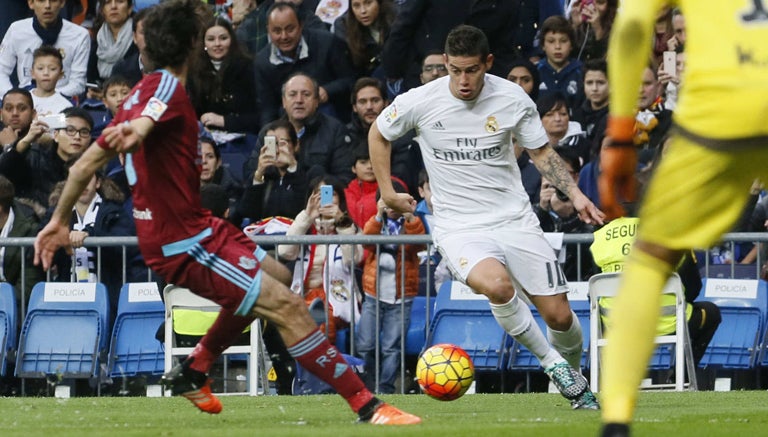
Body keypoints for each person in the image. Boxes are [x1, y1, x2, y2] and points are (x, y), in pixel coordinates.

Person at [33, 0, 420, 425]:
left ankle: (196, 368)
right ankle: (369, 405)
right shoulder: (165, 89)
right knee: (288, 306)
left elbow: (86, 163)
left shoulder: (138, 91)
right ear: (195, 47)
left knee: (277, 275)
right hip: (182, 240)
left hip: (197, 226)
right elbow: (146, 123)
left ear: (146, 49)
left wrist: (56, 221)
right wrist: (139, 130)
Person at [369, 24, 604, 410]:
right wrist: (388, 191)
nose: (463, 81)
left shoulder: (512, 98)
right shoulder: (420, 100)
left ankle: (575, 378)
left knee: (560, 316)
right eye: (455, 70)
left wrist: (575, 194)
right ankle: (554, 367)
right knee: (496, 286)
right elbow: (379, 133)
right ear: (445, 63)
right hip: (459, 225)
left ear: (488, 63)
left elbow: (541, 152)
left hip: (514, 219)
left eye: (472, 70)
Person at [597, 1, 768, 436]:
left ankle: (616, 420)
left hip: (726, 109)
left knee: (651, 260)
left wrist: (620, 135)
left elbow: (633, 25)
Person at [590, 216, 721, 367]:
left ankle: (604, 379)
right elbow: (693, 288)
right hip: (668, 324)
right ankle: (680, 377)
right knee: (710, 313)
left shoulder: (602, 236)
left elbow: (597, 287)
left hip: (617, 325)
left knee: (596, 312)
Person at [277, 176, 363, 345]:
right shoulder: (303, 227)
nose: (326, 199)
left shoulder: (350, 228)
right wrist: (307, 216)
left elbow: (353, 260)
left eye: (331, 194)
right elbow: (284, 252)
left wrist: (341, 222)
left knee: (322, 321)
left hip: (336, 298)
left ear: (340, 199)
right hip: (304, 295)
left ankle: (323, 368)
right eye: (319, 194)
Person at [358, 180, 425, 394]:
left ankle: (385, 389)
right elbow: (367, 241)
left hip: (401, 296)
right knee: (365, 344)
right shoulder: (377, 222)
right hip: (373, 293)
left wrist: (410, 215)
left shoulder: (412, 223)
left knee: (391, 348)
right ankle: (368, 387)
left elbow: (419, 244)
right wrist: (378, 214)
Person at [254, 1, 356, 125]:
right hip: (289, 123)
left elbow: (350, 80)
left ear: (301, 25)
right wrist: (270, 136)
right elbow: (268, 109)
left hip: (331, 115)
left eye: (290, 29)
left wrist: (327, 91)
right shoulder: (262, 62)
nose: (284, 36)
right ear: (268, 31)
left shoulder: (327, 43)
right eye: (277, 31)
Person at [244, 73, 355, 184]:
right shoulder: (269, 131)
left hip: (316, 198)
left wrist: (297, 172)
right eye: (292, 95)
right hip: (276, 198)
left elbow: (344, 180)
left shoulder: (335, 130)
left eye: (306, 95)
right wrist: (259, 174)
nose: (299, 100)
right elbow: (250, 178)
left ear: (317, 101)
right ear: (284, 101)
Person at [0, 106, 94, 211]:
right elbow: (4, 175)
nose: (77, 137)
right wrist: (25, 141)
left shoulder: (95, 167)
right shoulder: (35, 158)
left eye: (84, 132)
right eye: (70, 130)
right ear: (56, 135)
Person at [0, 0, 91, 98]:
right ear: (31, 3)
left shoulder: (80, 35)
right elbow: (1, 71)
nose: (47, 5)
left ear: (62, 3)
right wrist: (13, 97)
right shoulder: (16, 30)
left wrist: (47, 97)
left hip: (62, 102)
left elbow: (78, 83)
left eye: (53, 0)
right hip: (24, 103)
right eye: (41, 0)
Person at [188, 16, 260, 136]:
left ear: (232, 40)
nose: (217, 44)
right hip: (206, 138)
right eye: (211, 39)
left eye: (223, 38)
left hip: (243, 137)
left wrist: (224, 121)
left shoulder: (247, 67)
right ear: (204, 43)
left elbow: (258, 117)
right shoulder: (194, 71)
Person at [237, 119, 308, 224]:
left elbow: (302, 209)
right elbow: (247, 212)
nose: (277, 150)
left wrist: (293, 168)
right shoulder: (265, 177)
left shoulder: (309, 172)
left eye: (282, 143)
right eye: (271, 144)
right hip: (265, 236)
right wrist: (258, 175)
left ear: (296, 145)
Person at [333, 0, 396, 78]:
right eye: (356, 5)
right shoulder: (343, 25)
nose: (363, 11)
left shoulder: (396, 15)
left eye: (368, 3)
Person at [536, 15, 584, 111]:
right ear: (543, 45)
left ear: (571, 44)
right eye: (551, 41)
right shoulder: (535, 71)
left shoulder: (582, 71)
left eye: (563, 41)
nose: (557, 46)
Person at [87, 0, 135, 84]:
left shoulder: (139, 37)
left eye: (120, 1)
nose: (113, 6)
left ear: (130, 8)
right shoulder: (96, 40)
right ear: (102, 10)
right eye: (107, 2)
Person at [537, 92, 590, 165]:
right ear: (540, 119)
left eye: (563, 114)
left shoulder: (585, 147)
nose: (557, 119)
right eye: (550, 115)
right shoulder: (531, 146)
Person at [571, 58, 609, 159]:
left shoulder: (616, 115)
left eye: (600, 83)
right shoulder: (576, 114)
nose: (594, 88)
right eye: (589, 83)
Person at [29, 46, 73, 117]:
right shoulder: (22, 100)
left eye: (52, 69)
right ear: (32, 73)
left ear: (60, 74)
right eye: (40, 68)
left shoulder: (66, 107)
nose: (46, 73)